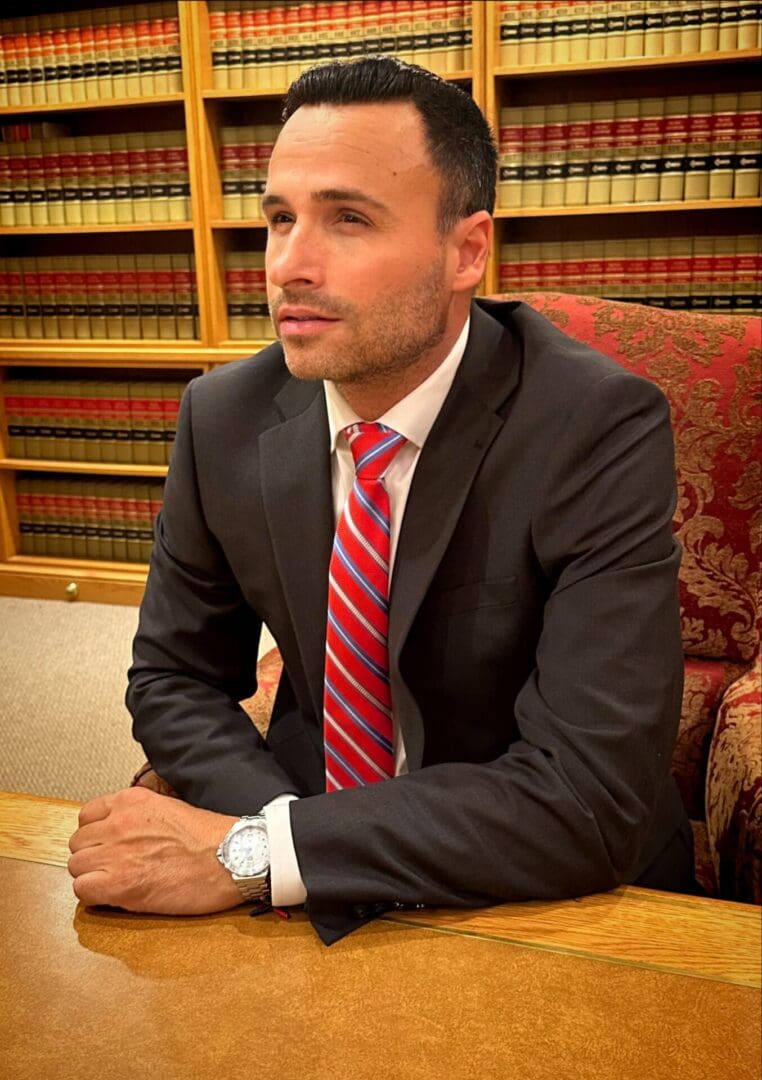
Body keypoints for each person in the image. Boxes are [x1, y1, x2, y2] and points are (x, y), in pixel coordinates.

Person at [68, 57, 695, 945]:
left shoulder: (595, 425)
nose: (288, 264)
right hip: (307, 842)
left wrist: (259, 854)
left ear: (466, 251)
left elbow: (589, 794)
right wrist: (287, 836)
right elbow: (173, 678)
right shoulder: (222, 418)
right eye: (279, 218)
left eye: (348, 220)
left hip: (550, 892)